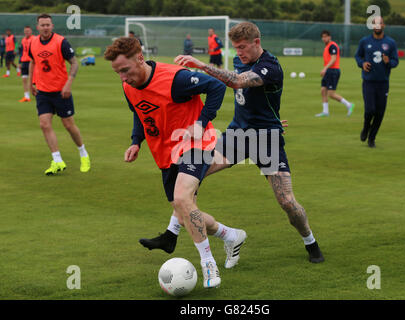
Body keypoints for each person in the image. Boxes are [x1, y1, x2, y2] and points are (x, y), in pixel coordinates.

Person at [173, 22, 325, 264]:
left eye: (242, 47)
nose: (239, 52)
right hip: (237, 135)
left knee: (287, 202)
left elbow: (236, 82)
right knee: (195, 172)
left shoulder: (270, 66)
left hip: (266, 141)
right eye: (236, 48)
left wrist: (201, 65)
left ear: (257, 42)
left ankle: (310, 241)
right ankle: (177, 230)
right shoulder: (239, 60)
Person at [104, 36, 248, 289]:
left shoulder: (175, 78)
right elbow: (140, 114)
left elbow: (216, 86)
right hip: (164, 154)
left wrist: (201, 123)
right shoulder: (128, 86)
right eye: (117, 73)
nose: (122, 77)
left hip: (195, 145)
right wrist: (136, 141)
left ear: (139, 58)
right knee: (185, 215)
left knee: (182, 199)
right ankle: (231, 235)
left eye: (125, 70)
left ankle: (208, 264)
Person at [29, 13, 91, 175]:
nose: (45, 27)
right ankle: (57, 160)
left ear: (52, 26)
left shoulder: (61, 42)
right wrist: (31, 83)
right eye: (42, 25)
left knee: (69, 125)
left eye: (48, 24)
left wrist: (68, 84)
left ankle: (83, 154)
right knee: (44, 124)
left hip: (61, 92)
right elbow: (32, 62)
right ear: (38, 27)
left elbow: (74, 63)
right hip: (42, 91)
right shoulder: (33, 43)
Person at [355, 16, 398, 148]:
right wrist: (362, 63)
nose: (377, 25)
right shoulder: (365, 41)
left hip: (383, 82)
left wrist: (388, 62)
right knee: (370, 110)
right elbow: (358, 56)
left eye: (380, 23)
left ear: (383, 25)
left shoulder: (390, 43)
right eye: (375, 23)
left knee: (380, 113)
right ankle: (366, 128)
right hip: (368, 81)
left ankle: (371, 139)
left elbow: (395, 61)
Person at [316, 30, 354, 117]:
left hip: (333, 71)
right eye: (323, 37)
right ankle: (325, 112)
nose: (324, 38)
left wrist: (325, 68)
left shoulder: (332, 46)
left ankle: (349, 105)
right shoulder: (327, 46)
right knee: (323, 90)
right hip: (329, 71)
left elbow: (333, 59)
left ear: (329, 37)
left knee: (331, 94)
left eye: (326, 36)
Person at [18, 26, 35, 102]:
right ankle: (26, 97)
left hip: (32, 62)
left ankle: (38, 94)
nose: (26, 32)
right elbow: (22, 51)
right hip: (24, 62)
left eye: (28, 31)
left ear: (31, 31)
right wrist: (19, 62)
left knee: (34, 80)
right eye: (25, 31)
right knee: (24, 79)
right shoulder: (23, 40)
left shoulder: (34, 39)